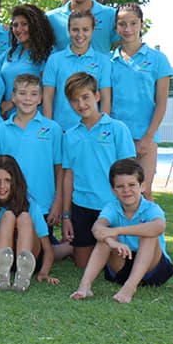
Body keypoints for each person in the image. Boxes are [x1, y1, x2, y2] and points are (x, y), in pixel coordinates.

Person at [70, 158, 173, 303]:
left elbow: (159, 226)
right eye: (120, 186)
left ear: (142, 186)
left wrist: (117, 231)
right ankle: (85, 286)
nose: (126, 190)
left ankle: (130, 287)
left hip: (153, 269)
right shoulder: (112, 207)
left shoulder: (151, 208)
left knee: (148, 234)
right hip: (122, 263)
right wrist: (112, 242)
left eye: (132, 184)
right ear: (113, 190)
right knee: (104, 237)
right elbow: (97, 228)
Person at [0, 74, 68, 259]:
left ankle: (66, 248)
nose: (28, 99)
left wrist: (58, 202)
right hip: (6, 202)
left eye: (33, 94)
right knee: (9, 245)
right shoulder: (2, 129)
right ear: (13, 97)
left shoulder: (52, 129)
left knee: (35, 251)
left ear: (40, 98)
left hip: (43, 203)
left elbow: (59, 168)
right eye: (22, 93)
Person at [61, 72, 136, 268]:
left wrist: (129, 208)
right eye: (74, 100)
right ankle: (72, 247)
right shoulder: (69, 136)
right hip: (82, 206)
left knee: (115, 265)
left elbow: (130, 171)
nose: (81, 104)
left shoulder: (117, 129)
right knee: (83, 265)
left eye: (85, 97)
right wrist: (66, 215)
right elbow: (68, 176)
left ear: (96, 96)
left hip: (112, 206)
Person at [109, 3, 173, 199]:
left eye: (133, 23)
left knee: (143, 193)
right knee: (117, 195)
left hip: (145, 137)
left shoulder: (158, 60)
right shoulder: (108, 61)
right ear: (116, 27)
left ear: (141, 25)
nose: (127, 29)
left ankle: (151, 231)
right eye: (122, 24)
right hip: (115, 138)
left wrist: (147, 138)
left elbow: (161, 103)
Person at [0, 155, 58, 291]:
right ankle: (2, 274)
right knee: (8, 216)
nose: (2, 186)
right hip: (0, 254)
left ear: (15, 182)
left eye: (7, 180)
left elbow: (48, 249)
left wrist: (44, 273)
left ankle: (23, 274)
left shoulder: (30, 204)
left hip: (30, 256)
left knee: (24, 217)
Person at [42, 10, 112, 131]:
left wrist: (102, 129)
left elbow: (105, 98)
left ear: (92, 31)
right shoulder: (55, 60)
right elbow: (48, 97)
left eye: (85, 29)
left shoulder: (103, 61)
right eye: (75, 30)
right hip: (62, 129)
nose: (80, 34)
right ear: (68, 31)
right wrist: (49, 130)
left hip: (91, 129)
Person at [0, 4, 55, 116]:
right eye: (15, 25)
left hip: (34, 119)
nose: (19, 29)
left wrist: (13, 102)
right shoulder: (10, 52)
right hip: (9, 120)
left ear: (35, 25)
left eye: (24, 24)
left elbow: (49, 92)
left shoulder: (47, 53)